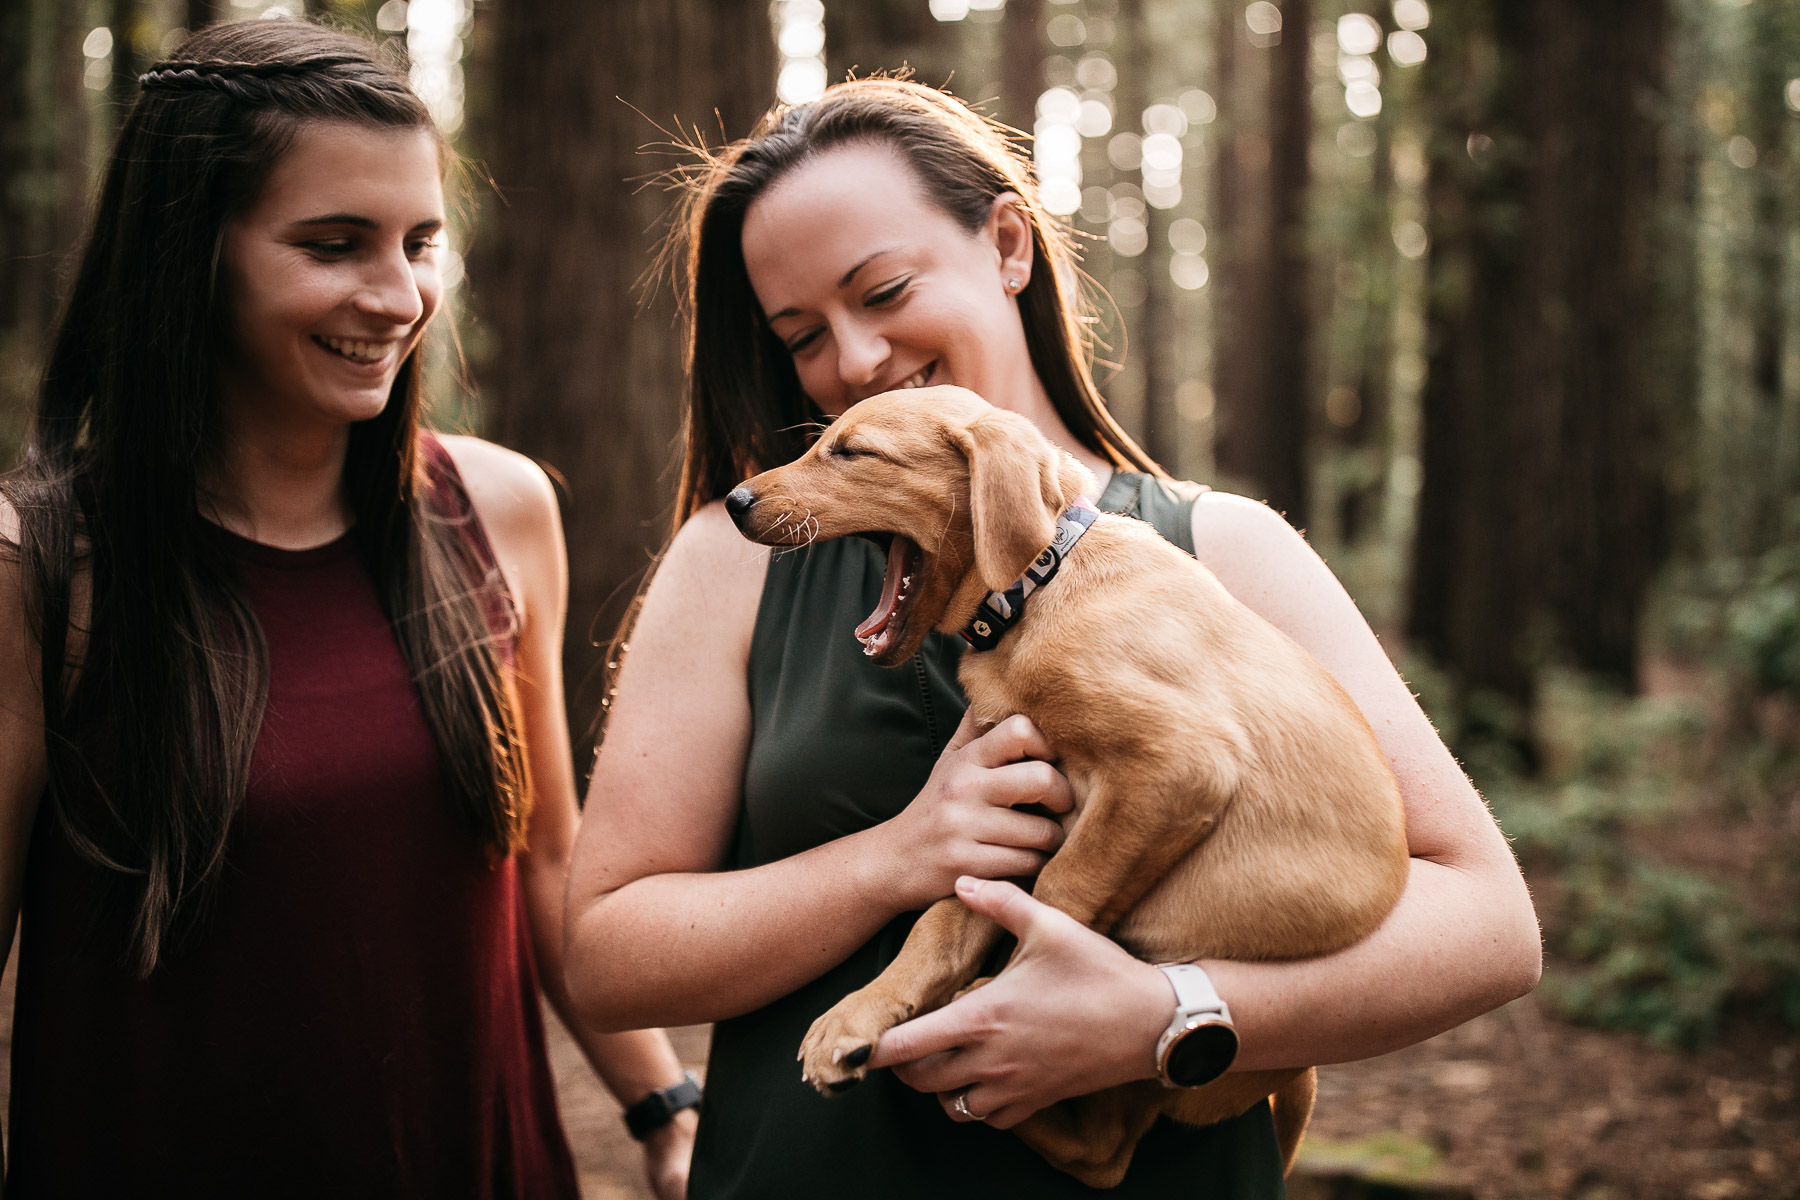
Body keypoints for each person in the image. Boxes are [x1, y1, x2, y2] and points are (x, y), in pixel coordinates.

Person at [563, 78, 1542, 1197]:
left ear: (1009, 245)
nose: (857, 361)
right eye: (801, 337)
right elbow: (605, 959)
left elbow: (1491, 929)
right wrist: (900, 857)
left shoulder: (1222, 548)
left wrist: (1170, 1018)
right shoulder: (734, 562)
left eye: (883, 290)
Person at [0, 20, 695, 1198]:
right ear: (190, 254)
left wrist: (665, 1107)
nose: (398, 295)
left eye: (422, 241)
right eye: (333, 244)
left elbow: (545, 862)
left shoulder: (499, 509)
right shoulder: (41, 567)